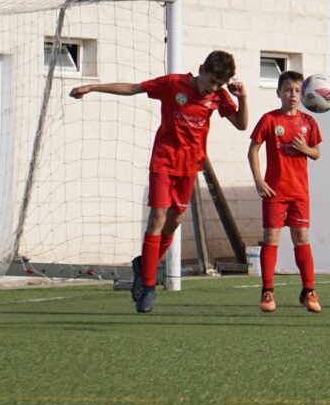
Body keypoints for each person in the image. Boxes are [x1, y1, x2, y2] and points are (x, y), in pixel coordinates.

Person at [69, 50, 248, 313]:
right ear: (201, 69)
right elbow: (134, 88)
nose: (213, 88)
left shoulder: (219, 97)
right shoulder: (174, 84)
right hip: (164, 162)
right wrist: (93, 87)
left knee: (174, 222)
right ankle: (148, 286)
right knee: (158, 217)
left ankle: (145, 265)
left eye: (219, 84)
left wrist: (242, 98)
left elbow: (241, 125)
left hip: (189, 168)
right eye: (211, 81)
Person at [248, 71, 322, 314]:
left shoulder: (309, 121)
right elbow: (253, 150)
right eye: (288, 90)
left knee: (302, 239)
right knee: (271, 240)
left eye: (297, 90)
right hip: (275, 192)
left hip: (300, 192)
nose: (293, 95)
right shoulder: (269, 119)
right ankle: (267, 292)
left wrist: (304, 148)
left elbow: (317, 153)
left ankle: (308, 291)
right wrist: (259, 180)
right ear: (279, 92)